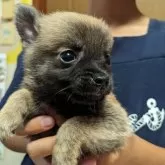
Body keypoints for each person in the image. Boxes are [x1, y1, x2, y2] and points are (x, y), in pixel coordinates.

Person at [1, 0, 165, 164]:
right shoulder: (40, 50)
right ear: (30, 35)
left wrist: (76, 133)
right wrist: (35, 137)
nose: (100, 75)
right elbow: (10, 131)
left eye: (106, 59)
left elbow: (117, 125)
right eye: (68, 57)